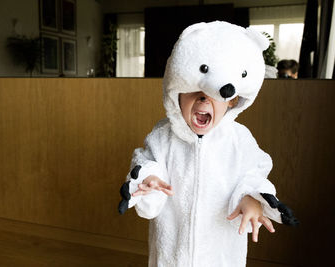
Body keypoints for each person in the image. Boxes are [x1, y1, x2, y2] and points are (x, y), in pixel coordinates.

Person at [118, 21, 298, 267]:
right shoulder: (162, 137)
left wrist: (251, 197)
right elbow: (146, 162)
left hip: (221, 252)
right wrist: (149, 179)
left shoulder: (239, 140)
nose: (204, 98)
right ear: (176, 94)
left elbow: (254, 172)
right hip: (172, 253)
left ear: (231, 101)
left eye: (215, 96)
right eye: (193, 91)